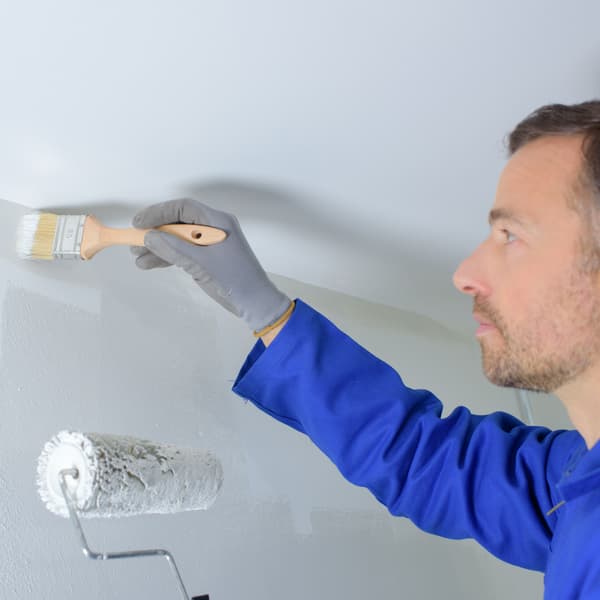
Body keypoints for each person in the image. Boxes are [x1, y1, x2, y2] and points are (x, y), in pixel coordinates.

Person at [130, 100, 600, 599]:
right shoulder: (574, 480)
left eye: (511, 236)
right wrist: (269, 315)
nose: (465, 275)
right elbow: (427, 458)